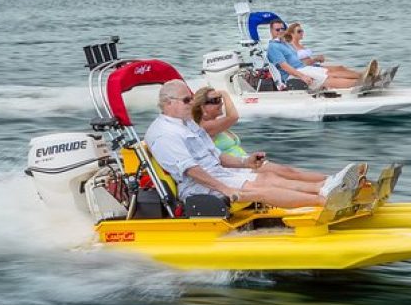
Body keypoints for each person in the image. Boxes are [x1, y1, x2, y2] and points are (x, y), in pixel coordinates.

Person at [145, 79, 363, 208]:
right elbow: (191, 170)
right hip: (199, 187)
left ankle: (323, 187)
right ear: (167, 103)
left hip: (217, 174)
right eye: (186, 100)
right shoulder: (165, 133)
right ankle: (325, 200)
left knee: (268, 176)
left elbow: (216, 156)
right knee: (261, 188)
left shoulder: (186, 124)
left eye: (191, 98)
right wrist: (226, 189)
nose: (191, 103)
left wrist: (245, 162)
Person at [191, 86, 328, 183]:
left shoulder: (215, 123)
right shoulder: (206, 127)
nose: (220, 103)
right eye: (215, 101)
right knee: (286, 172)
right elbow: (233, 116)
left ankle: (329, 181)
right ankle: (328, 184)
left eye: (219, 99)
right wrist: (225, 94)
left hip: (244, 162)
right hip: (236, 168)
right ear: (202, 107)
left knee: (288, 172)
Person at [266, 20, 374, 91]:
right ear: (271, 31)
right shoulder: (273, 47)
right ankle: (363, 84)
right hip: (295, 74)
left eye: (282, 29)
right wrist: (302, 76)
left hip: (303, 68)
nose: (281, 31)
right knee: (329, 78)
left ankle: (366, 76)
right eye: (277, 29)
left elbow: (296, 60)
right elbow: (285, 66)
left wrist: (312, 64)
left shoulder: (284, 44)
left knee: (331, 72)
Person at [283, 22, 368, 82]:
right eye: (299, 31)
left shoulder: (300, 45)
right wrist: (315, 59)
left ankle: (363, 74)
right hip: (308, 68)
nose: (302, 33)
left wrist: (316, 60)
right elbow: (301, 63)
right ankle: (363, 77)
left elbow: (307, 60)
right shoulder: (291, 46)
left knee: (340, 67)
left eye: (302, 31)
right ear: (291, 34)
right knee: (337, 70)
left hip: (314, 65)